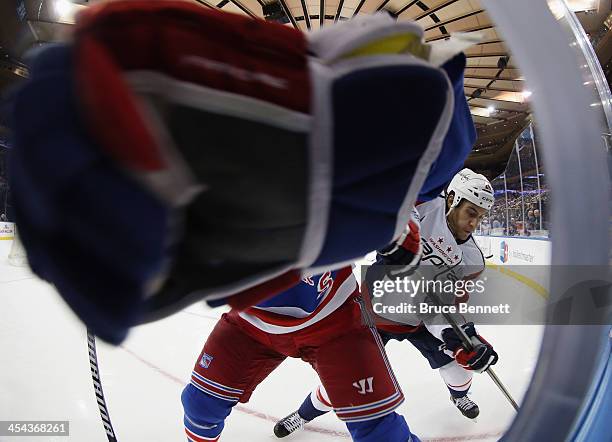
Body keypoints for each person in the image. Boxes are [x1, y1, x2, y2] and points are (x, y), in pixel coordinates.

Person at [273, 169, 499, 438]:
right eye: (471, 212)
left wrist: (460, 336)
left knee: (457, 370)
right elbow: (390, 214)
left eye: (481, 217)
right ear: (451, 198)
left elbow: (444, 303)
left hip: (421, 317)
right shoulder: (424, 202)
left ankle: (459, 396)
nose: (474, 224)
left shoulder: (471, 260)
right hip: (378, 310)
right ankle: (303, 415)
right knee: (348, 380)